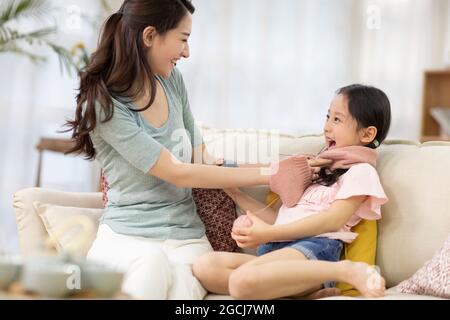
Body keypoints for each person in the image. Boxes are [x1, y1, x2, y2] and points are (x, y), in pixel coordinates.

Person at [63, 0, 329, 299]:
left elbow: (203, 161)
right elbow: (177, 173)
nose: (187, 52)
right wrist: (270, 174)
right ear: (150, 36)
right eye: (183, 39)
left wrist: (288, 167)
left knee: (182, 291)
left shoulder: (172, 81)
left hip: (187, 240)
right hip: (128, 237)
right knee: (151, 266)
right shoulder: (103, 104)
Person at [193, 84, 392, 299]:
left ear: (367, 134)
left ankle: (345, 270)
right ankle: (306, 291)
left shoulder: (361, 171)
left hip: (314, 249)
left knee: (240, 283)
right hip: (279, 249)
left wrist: (268, 234)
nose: (326, 127)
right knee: (206, 266)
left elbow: (332, 221)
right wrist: (234, 193)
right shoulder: (318, 169)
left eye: (337, 119)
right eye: (327, 117)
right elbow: (279, 219)